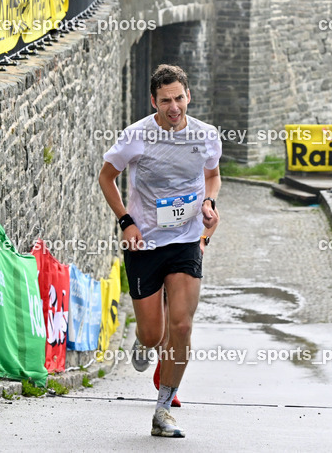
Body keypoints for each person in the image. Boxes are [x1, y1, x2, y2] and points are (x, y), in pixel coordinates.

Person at [98, 64, 221, 439]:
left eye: (179, 98)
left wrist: (209, 203)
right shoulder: (136, 136)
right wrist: (126, 221)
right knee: (154, 335)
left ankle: (163, 409)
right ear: (154, 101)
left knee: (182, 326)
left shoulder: (205, 135)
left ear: (189, 96)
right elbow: (106, 177)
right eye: (166, 100)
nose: (174, 107)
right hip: (145, 244)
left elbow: (212, 175)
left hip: (185, 240)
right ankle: (145, 339)